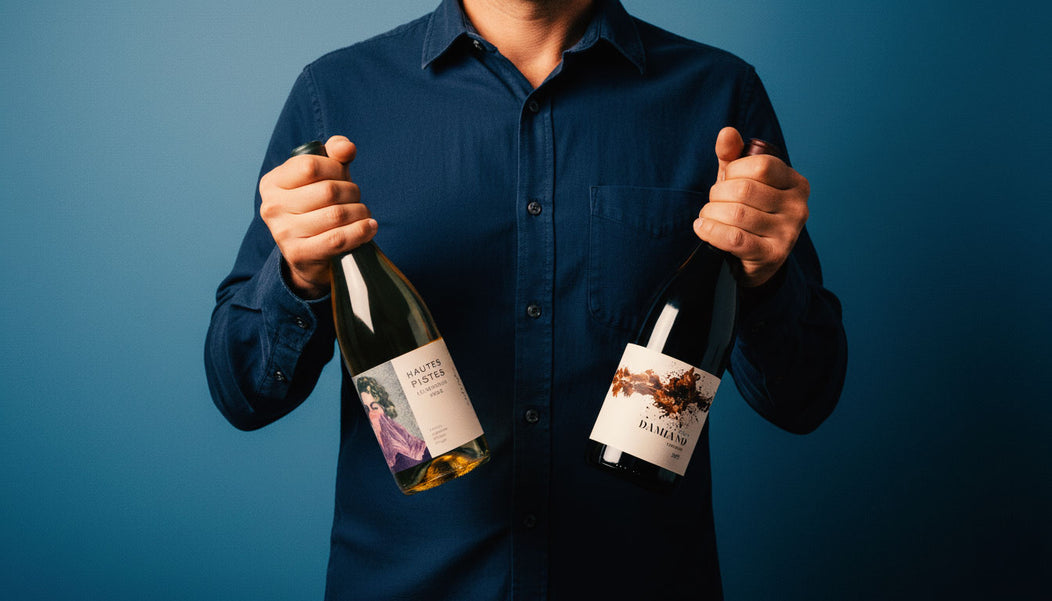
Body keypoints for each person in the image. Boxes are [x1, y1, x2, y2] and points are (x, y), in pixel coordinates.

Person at [204, 0, 848, 598]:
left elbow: (804, 397)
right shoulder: (337, 96)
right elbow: (245, 394)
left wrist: (766, 278)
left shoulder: (719, 99)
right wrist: (299, 278)